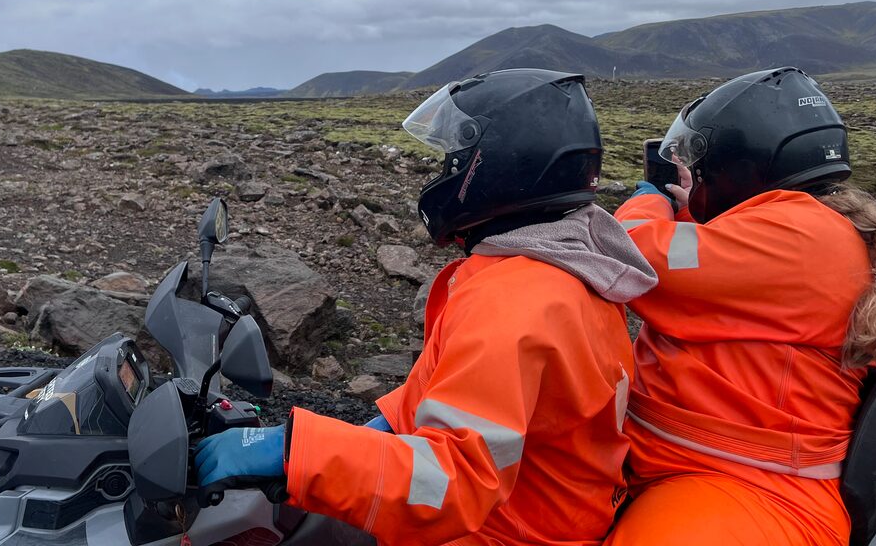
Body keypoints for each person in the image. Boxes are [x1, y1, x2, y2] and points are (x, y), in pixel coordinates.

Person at [195, 68, 659, 545]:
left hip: (502, 532)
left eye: (456, 159)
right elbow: (479, 401)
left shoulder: (514, 302)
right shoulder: (574, 263)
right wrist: (385, 426)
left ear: (502, 166)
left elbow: (451, 482)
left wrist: (294, 450)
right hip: (546, 511)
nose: (446, 173)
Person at [606, 66, 876, 546]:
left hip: (751, 489)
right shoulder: (815, 228)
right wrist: (692, 207)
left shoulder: (800, 237)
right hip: (731, 473)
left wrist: (648, 198)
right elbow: (722, 253)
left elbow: (630, 252)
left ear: (744, 164)